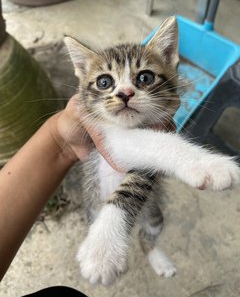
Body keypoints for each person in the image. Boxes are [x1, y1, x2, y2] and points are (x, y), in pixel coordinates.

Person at [0, 94, 175, 295]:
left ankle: (149, 248)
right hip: (99, 201)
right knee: (97, 221)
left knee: (154, 224)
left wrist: (60, 136)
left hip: (145, 201)